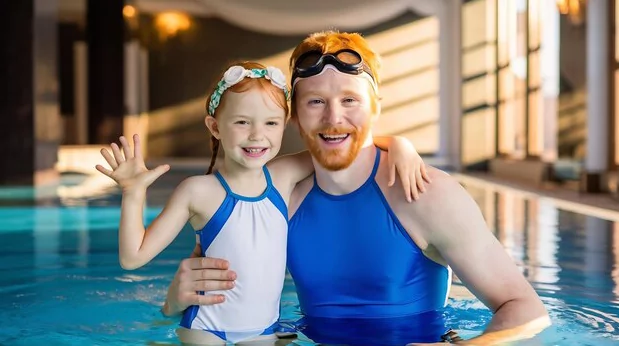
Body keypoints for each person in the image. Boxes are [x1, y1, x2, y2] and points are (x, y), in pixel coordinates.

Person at [162, 32, 552, 345]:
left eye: (350, 100)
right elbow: (213, 288)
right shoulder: (275, 195)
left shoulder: (427, 194)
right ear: (294, 116)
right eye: (315, 102)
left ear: (375, 107)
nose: (334, 119)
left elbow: (528, 310)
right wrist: (177, 297)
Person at [96, 61, 429, 345]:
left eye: (270, 123)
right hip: (207, 329)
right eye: (242, 122)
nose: (257, 135)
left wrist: (400, 145)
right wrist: (133, 192)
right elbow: (132, 257)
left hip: (264, 332)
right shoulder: (198, 191)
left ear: (282, 126)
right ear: (215, 126)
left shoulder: (281, 178)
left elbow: (344, 145)